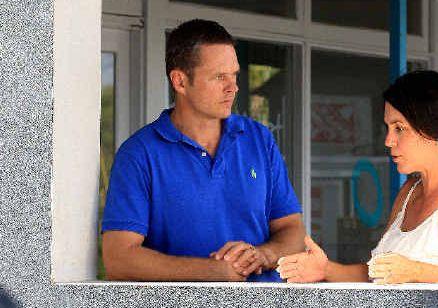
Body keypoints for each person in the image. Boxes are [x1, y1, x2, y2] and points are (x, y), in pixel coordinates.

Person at [101, 19, 305, 282]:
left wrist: (263, 255)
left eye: (234, 75)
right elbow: (119, 259)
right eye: (220, 77)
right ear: (180, 81)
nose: (233, 87)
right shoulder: (139, 154)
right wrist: (213, 272)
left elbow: (293, 230)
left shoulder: (259, 139)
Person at [277, 70, 438, 284]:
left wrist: (417, 273)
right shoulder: (409, 191)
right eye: (388, 128)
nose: (388, 140)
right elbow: (375, 274)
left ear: (435, 129)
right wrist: (326, 270)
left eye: (399, 128)